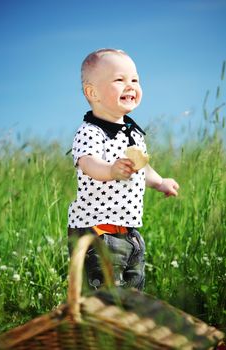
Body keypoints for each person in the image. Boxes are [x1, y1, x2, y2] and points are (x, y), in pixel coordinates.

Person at [67, 48, 179, 291]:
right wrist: (111, 171)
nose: (130, 85)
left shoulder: (133, 133)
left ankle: (125, 326)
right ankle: (98, 326)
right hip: (96, 233)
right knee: (104, 295)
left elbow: (142, 167)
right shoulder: (90, 132)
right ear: (92, 92)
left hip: (128, 233)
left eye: (135, 79)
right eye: (120, 79)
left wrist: (160, 182)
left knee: (132, 293)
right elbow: (88, 164)